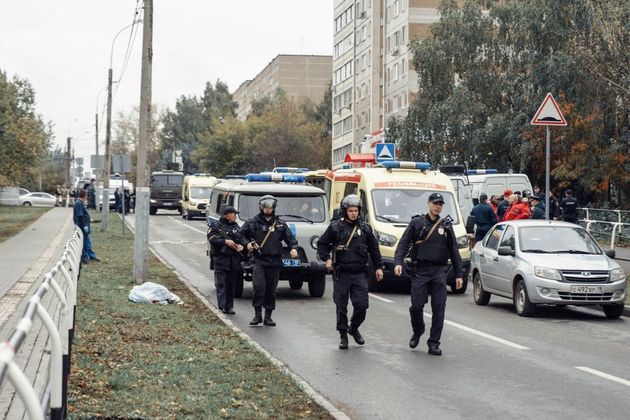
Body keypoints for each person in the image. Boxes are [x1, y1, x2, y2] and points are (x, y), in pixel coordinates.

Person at [393, 192, 463, 356]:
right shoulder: (417, 223)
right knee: (416, 306)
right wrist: (398, 262)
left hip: (439, 271)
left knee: (439, 307)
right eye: (435, 203)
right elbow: (404, 244)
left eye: (440, 204)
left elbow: (454, 251)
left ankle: (434, 343)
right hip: (421, 271)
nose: (438, 206)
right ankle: (418, 330)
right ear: (428, 204)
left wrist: (459, 274)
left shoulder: (446, 226)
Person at [317, 194, 384, 350]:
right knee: (341, 306)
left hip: (360, 272)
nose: (354, 213)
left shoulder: (365, 228)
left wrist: (379, 267)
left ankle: (353, 327)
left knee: (362, 305)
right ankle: (343, 335)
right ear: (345, 211)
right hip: (342, 272)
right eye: (351, 210)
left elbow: (374, 249)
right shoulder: (335, 227)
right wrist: (326, 258)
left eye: (356, 210)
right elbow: (322, 244)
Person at [239, 195, 299, 327]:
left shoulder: (280, 224)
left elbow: (290, 239)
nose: (267, 210)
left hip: (275, 261)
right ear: (261, 207)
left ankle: (268, 316)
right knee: (259, 287)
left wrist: (293, 248)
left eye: (270, 207)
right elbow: (241, 234)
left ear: (273, 208)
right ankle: (257, 315)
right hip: (259, 260)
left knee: (271, 290)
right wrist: (247, 243)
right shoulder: (253, 222)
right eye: (265, 207)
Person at [207, 205, 244, 315]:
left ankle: (229, 307)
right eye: (234, 214)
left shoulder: (236, 226)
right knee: (221, 284)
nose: (235, 216)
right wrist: (225, 242)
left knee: (231, 284)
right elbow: (211, 238)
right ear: (227, 215)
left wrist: (241, 245)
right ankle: (222, 306)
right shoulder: (217, 225)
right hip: (221, 260)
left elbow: (240, 237)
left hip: (233, 260)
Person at [73, 189, 97, 264]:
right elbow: (80, 216)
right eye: (86, 195)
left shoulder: (80, 202)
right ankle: (84, 258)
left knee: (87, 242)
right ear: (84, 195)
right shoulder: (79, 203)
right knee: (83, 243)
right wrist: (84, 226)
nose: (87, 196)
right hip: (82, 227)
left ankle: (91, 256)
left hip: (83, 227)